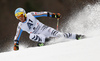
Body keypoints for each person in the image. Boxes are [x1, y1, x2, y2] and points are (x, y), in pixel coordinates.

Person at [14, 8, 84, 51]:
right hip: (38, 35)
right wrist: (16, 44)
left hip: (44, 29)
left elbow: (43, 13)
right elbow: (17, 36)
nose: (20, 18)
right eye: (18, 17)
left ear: (24, 14)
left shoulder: (30, 15)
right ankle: (46, 41)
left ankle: (77, 36)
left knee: (60, 35)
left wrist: (53, 15)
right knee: (31, 36)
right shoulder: (20, 25)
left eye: (21, 16)